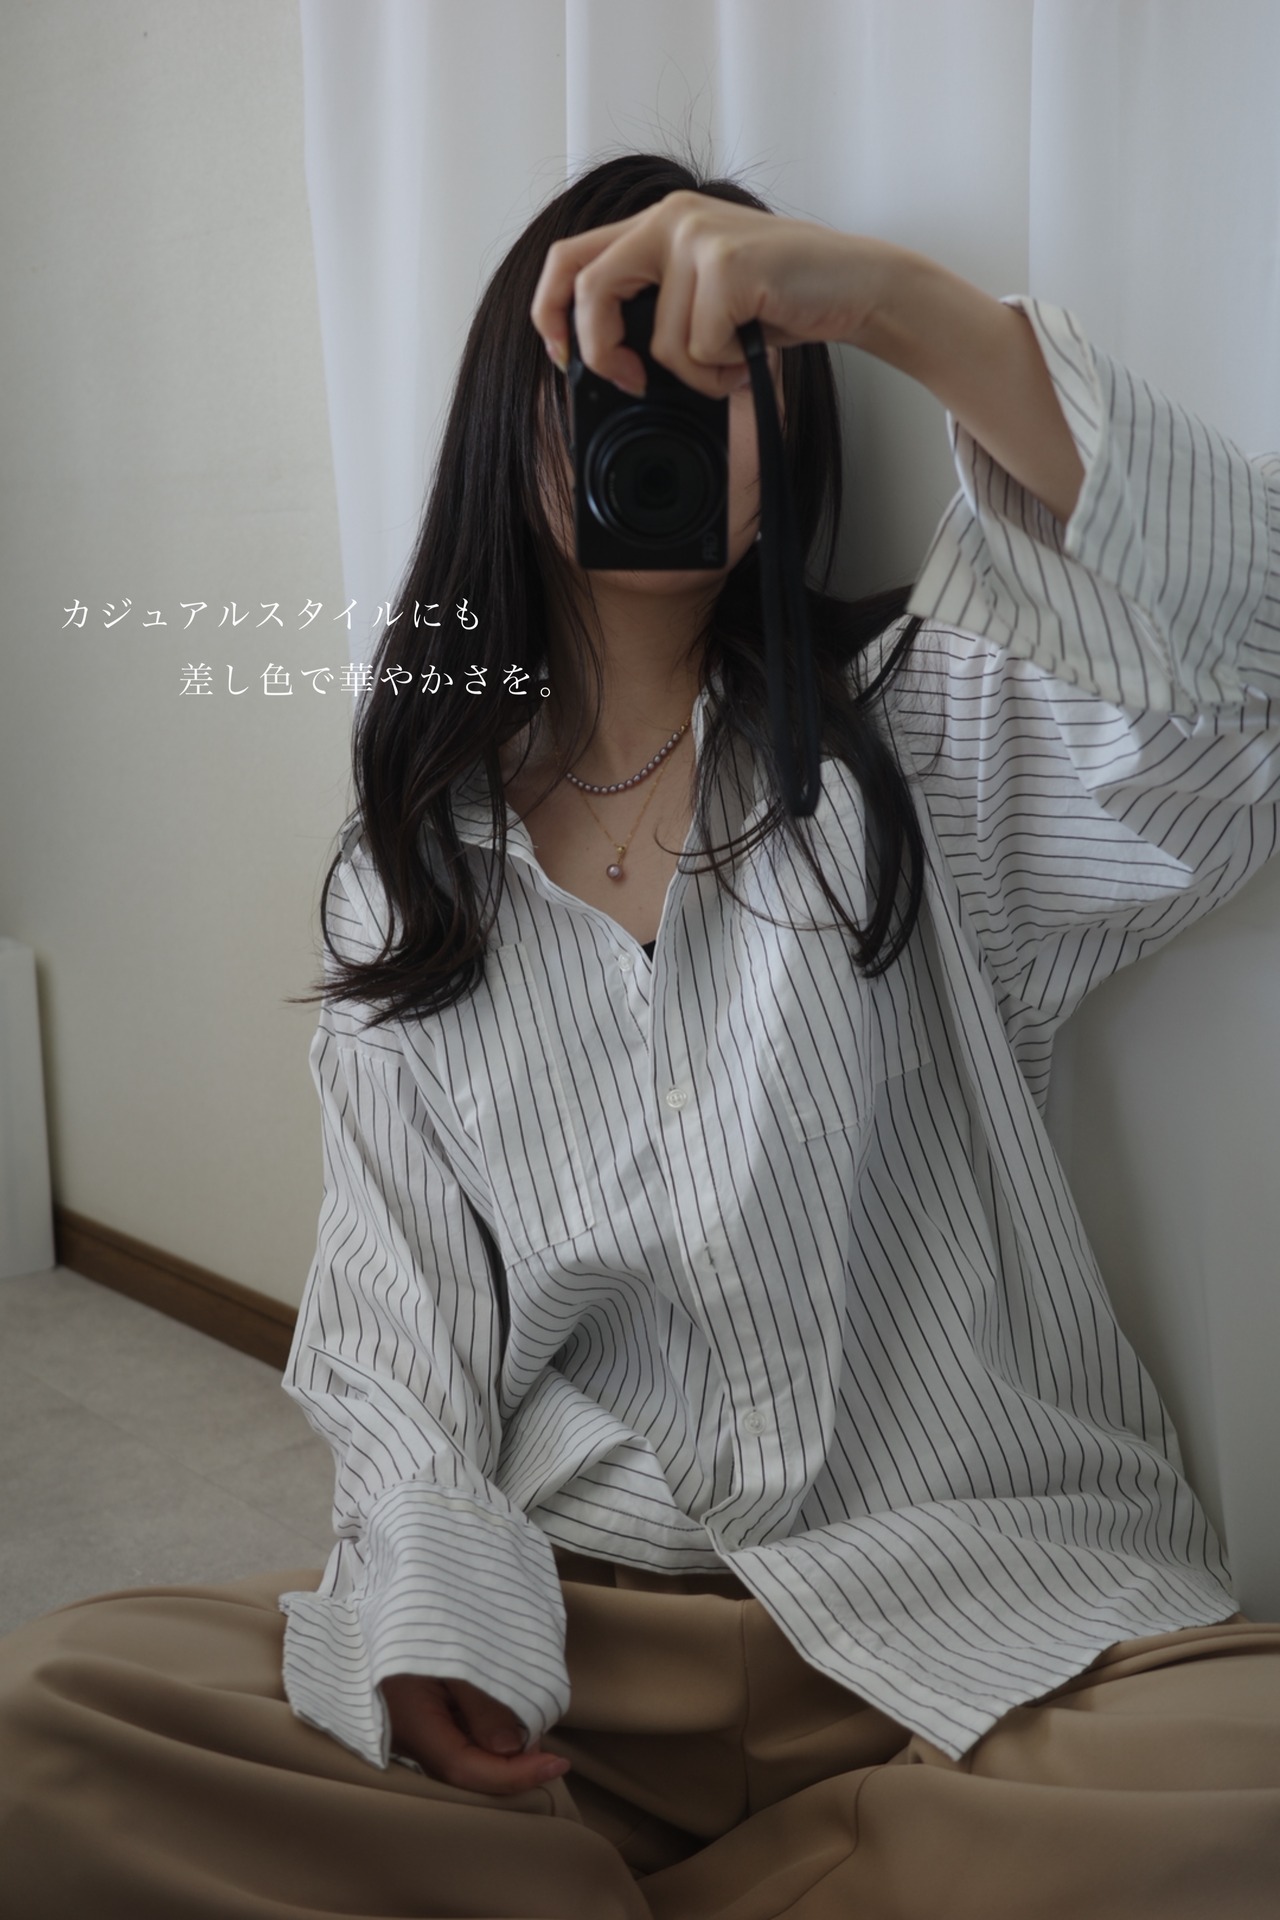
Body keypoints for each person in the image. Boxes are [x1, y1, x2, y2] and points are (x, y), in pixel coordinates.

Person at [2, 150, 1280, 1920]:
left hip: (983, 1622)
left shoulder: (924, 732)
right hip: (591, 1648)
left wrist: (894, 306)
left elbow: (1250, 666)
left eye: (722, 377)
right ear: (505, 419)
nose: (659, 414)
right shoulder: (407, 876)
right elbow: (399, 1326)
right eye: (601, 364)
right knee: (51, 1726)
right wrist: (432, 1617)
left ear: (794, 440)